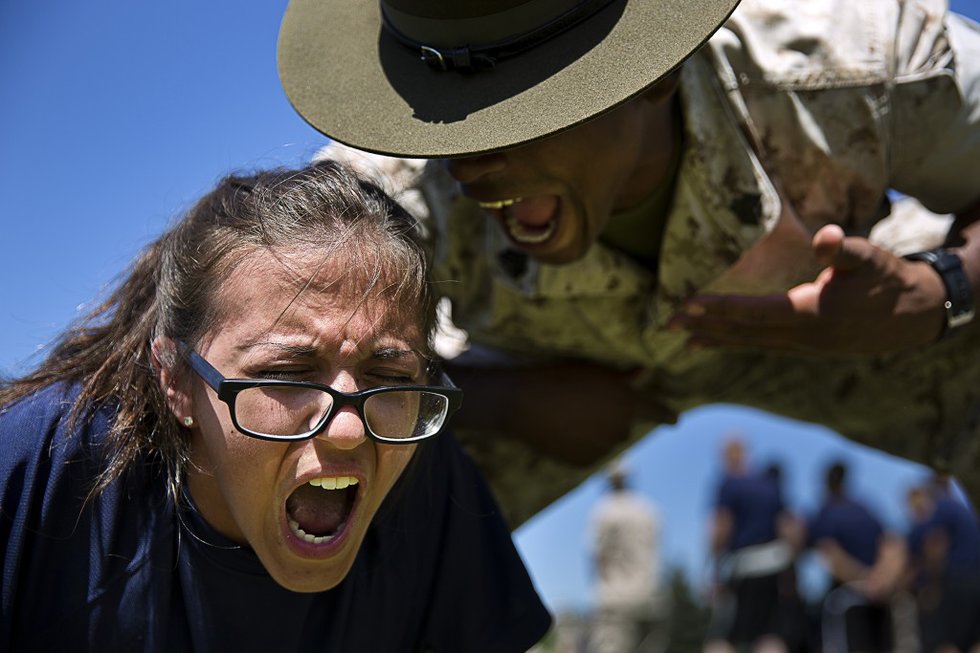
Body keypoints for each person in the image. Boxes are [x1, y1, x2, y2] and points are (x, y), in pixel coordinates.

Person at [276, 0, 980, 528]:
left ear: (655, 71)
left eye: (516, 111)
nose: (467, 167)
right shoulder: (386, 192)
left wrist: (943, 288)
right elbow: (238, 344)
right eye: (442, 111)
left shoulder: (854, 60)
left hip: (842, 318)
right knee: (304, 474)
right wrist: (495, 400)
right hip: (548, 378)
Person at [0, 160, 551, 651]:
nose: (348, 430)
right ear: (175, 380)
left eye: (387, 375)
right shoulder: (35, 472)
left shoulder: (428, 480)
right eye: (287, 374)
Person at [704, 438, 800, 653]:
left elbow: (721, 527)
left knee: (722, 636)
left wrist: (715, 572)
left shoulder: (729, 484)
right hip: (775, 565)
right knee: (770, 635)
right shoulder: (769, 484)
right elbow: (791, 528)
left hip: (745, 567)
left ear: (727, 456)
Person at [803, 461, 907, 653]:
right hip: (878, 597)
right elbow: (891, 544)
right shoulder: (865, 509)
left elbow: (830, 554)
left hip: (847, 600)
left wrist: (864, 578)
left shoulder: (828, 511)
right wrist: (882, 579)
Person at [587, 461, 667, 653]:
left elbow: (599, 557)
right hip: (650, 594)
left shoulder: (604, 511)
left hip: (616, 597)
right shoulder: (648, 510)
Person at [906, 476, 980, 653]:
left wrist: (932, 586)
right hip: (976, 579)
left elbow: (935, 548)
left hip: (955, 582)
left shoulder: (940, 509)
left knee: (946, 644)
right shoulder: (961, 509)